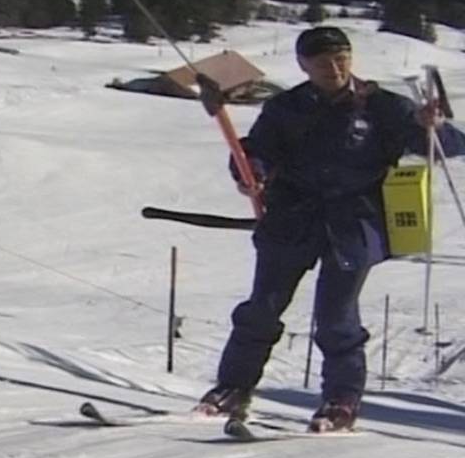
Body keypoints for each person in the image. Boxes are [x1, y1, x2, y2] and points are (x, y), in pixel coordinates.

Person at [195, 26, 465, 432]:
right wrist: (250, 174)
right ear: (303, 65)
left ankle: (341, 400)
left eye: (341, 60)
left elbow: (447, 145)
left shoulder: (382, 106)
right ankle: (232, 388)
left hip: (354, 221)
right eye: (322, 63)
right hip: (292, 218)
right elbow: (257, 151)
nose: (334, 69)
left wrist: (434, 126)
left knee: (336, 316)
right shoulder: (286, 107)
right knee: (262, 308)